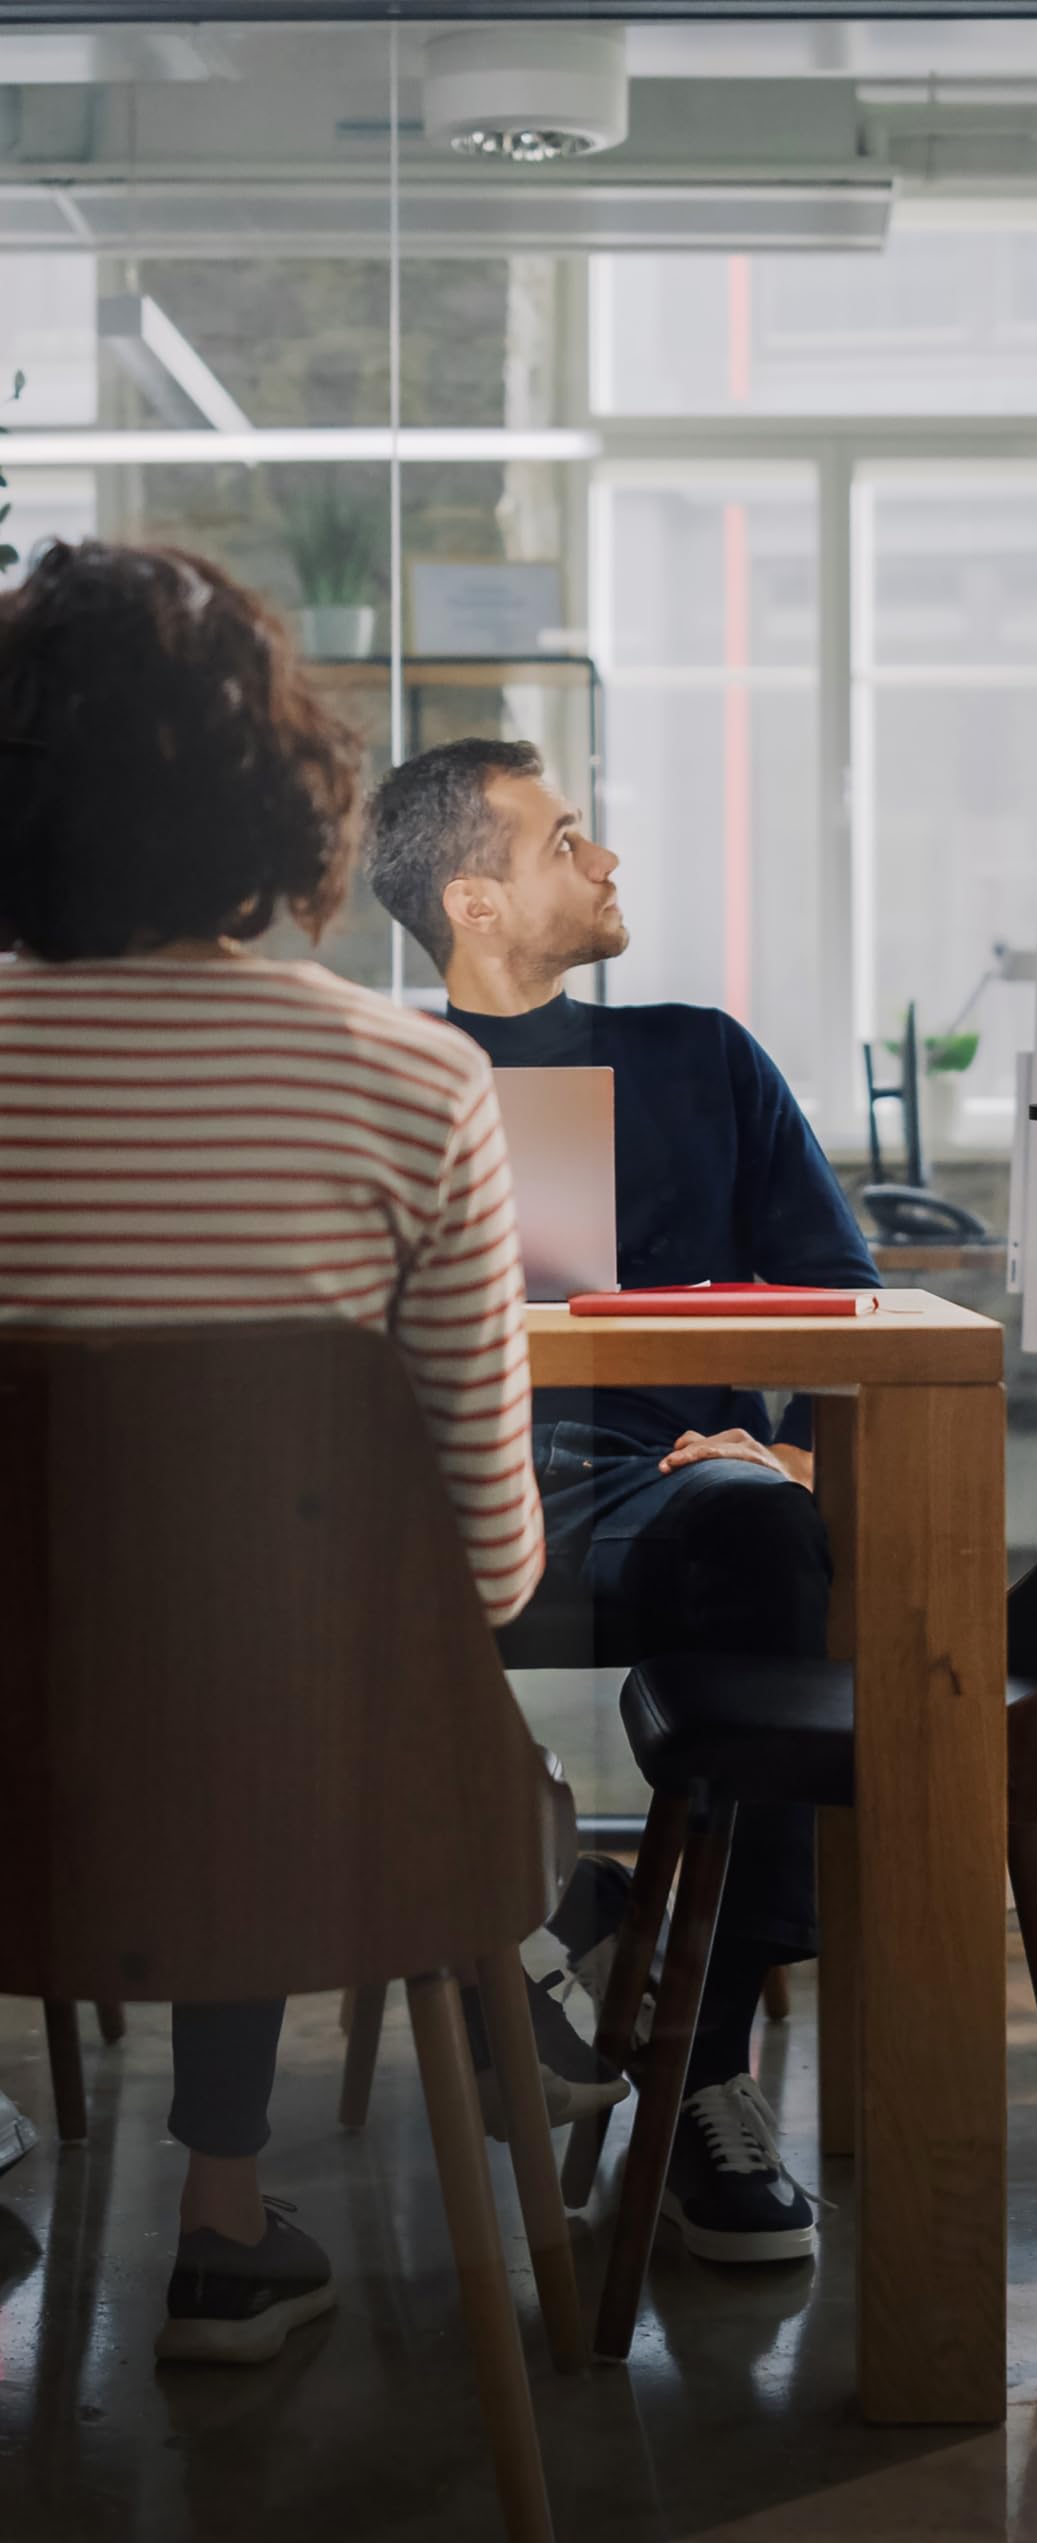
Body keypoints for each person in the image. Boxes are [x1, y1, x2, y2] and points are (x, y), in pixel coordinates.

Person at [0, 542, 565, 2359]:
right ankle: (225, 2222)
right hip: (324, 1803)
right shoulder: (412, 1082)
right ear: (283, 789)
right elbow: (492, 1572)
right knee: (263, 1654)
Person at [366, 738, 881, 2264]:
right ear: (472, 901)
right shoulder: (380, 1077)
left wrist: (791, 1453)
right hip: (434, 1510)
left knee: (768, 1531)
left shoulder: (699, 1057)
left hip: (663, 1496)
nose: (605, 862)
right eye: (565, 841)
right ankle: (537, 1913)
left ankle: (698, 2065)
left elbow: (844, 1294)